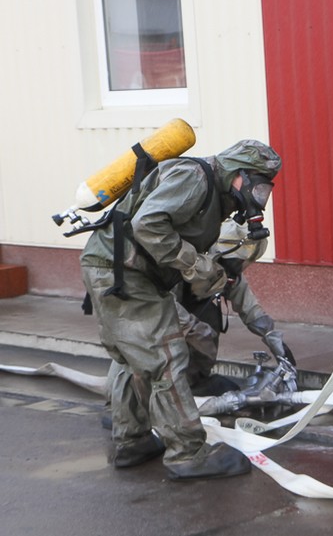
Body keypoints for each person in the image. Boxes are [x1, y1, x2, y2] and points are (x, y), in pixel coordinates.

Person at [80, 139, 282, 481]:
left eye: (265, 190)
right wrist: (196, 265)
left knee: (135, 360)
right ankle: (188, 454)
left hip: (121, 270)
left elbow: (234, 286)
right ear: (237, 174)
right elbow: (148, 224)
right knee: (167, 359)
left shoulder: (215, 197)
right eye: (257, 186)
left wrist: (268, 331)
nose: (258, 197)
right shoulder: (196, 177)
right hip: (125, 272)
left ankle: (132, 441)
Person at [174, 218, 297, 396]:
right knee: (192, 338)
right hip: (160, 313)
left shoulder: (230, 275)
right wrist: (192, 328)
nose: (238, 267)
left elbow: (250, 309)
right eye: (235, 262)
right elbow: (163, 305)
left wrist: (273, 339)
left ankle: (195, 383)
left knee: (209, 321)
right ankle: (173, 389)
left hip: (193, 310)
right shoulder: (186, 264)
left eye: (242, 263)